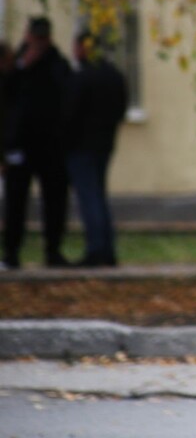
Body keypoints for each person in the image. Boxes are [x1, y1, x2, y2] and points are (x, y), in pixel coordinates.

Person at [2, 16, 73, 270]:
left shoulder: (57, 63)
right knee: (15, 202)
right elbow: (6, 93)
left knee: (55, 200)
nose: (39, 43)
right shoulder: (16, 63)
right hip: (20, 145)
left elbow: (66, 96)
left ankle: (53, 250)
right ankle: (11, 252)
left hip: (51, 145)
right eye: (36, 37)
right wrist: (22, 66)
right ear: (27, 36)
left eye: (43, 38)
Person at [64, 31, 129, 267]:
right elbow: (121, 109)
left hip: (82, 147)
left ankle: (96, 250)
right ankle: (107, 249)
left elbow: (69, 114)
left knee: (90, 198)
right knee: (99, 196)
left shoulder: (81, 77)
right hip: (105, 144)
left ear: (84, 48)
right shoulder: (114, 76)